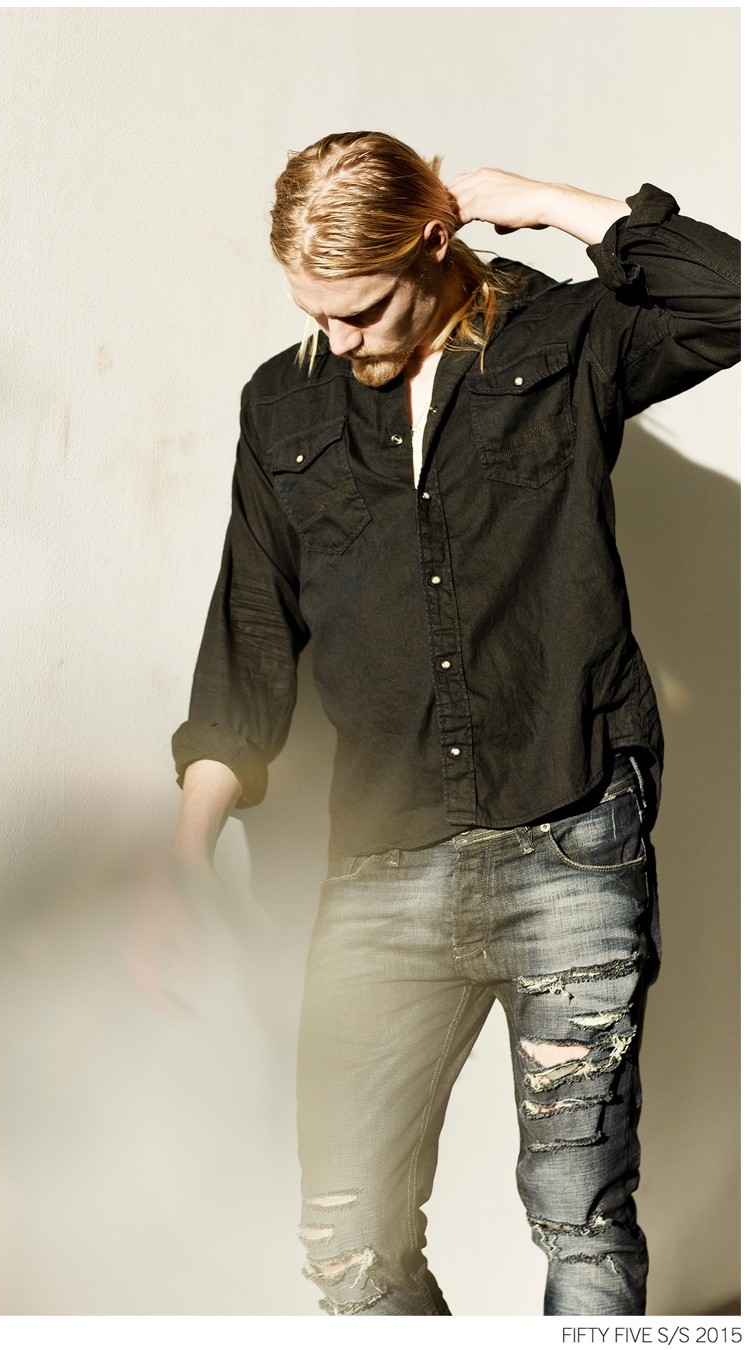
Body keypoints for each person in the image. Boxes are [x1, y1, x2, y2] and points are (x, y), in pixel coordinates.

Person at [170, 132, 740, 1316]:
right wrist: (181, 853)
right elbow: (251, 633)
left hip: (570, 832)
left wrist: (540, 200)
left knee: (580, 1222)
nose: (341, 343)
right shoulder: (283, 404)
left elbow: (724, 298)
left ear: (434, 244)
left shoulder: (563, 341)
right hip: (383, 861)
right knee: (347, 1238)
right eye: (316, 315)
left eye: (363, 312)